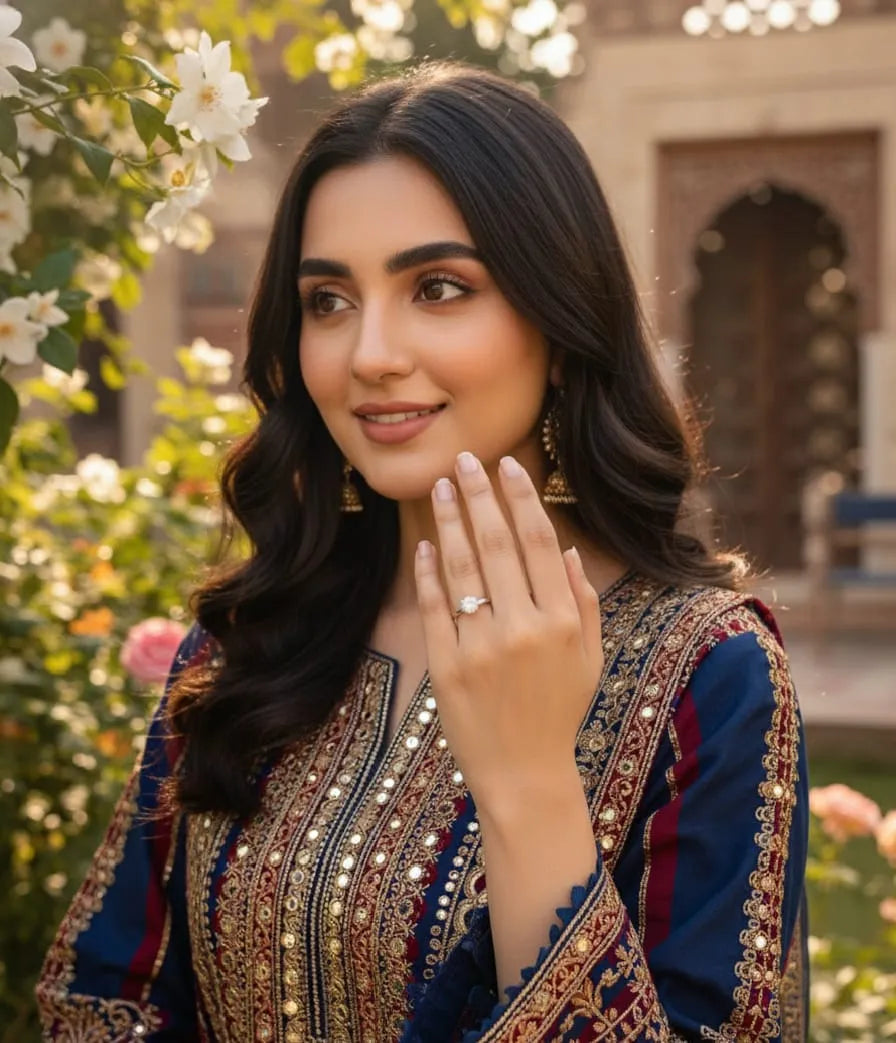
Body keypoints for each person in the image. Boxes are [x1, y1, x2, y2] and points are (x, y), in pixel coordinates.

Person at [36, 62, 809, 1042]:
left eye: (437, 287)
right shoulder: (255, 640)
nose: (367, 352)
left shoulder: (705, 673)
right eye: (327, 300)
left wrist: (527, 778)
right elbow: (102, 999)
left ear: (558, 318)